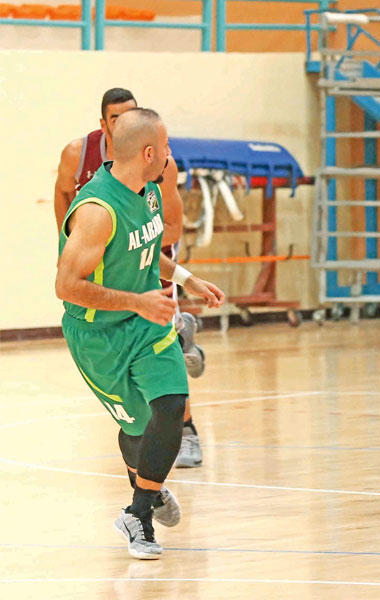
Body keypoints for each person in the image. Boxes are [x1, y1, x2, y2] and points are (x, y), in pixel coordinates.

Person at [55, 108, 225, 558]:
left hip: (146, 324)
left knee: (170, 405)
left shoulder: (147, 190)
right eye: (166, 147)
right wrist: (136, 301)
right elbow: (66, 286)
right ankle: (149, 487)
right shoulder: (97, 211)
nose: (170, 155)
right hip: (99, 335)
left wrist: (187, 279)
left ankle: (139, 511)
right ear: (148, 152)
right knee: (136, 427)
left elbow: (146, 250)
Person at [54, 88, 204, 468]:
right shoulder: (81, 161)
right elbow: (62, 196)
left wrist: (177, 272)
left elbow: (168, 228)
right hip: (104, 305)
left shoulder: (157, 170)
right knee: (137, 421)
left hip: (145, 271)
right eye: (116, 118)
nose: (124, 123)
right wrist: (82, 238)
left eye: (131, 115)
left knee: (168, 389)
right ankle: (146, 485)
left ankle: (187, 434)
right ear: (104, 125)